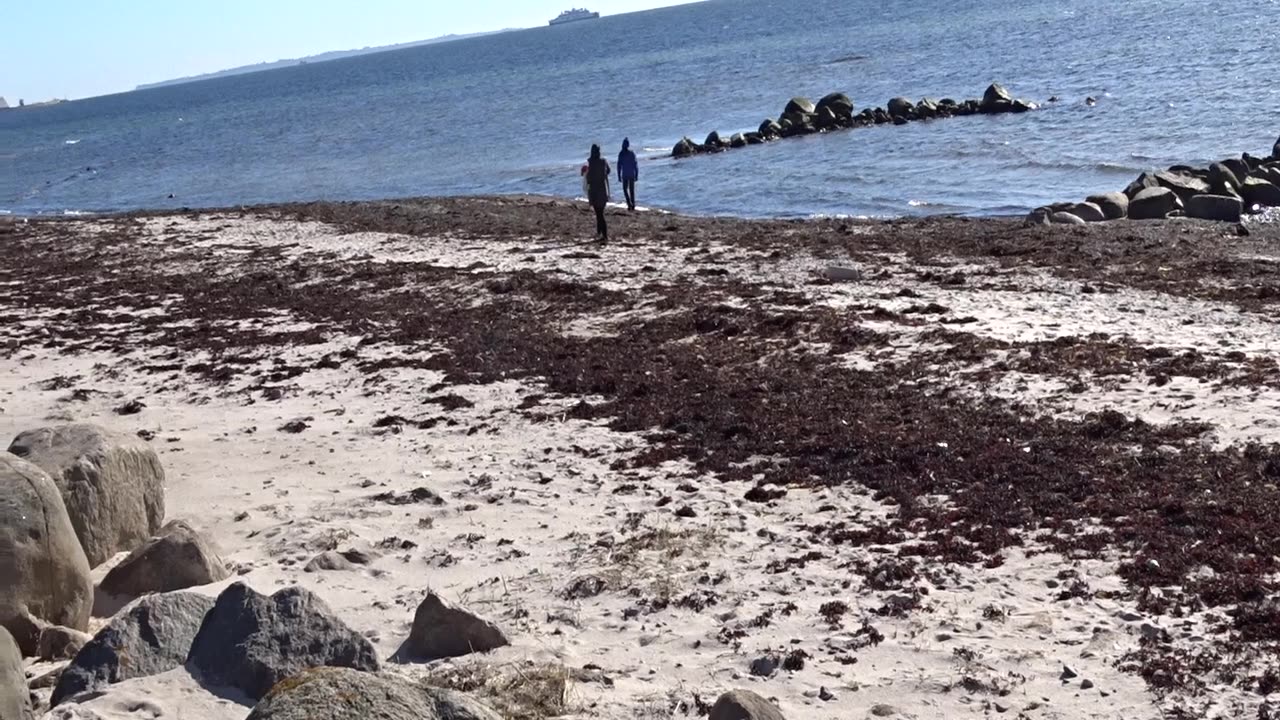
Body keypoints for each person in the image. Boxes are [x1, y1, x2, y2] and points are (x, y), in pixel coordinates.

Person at [585, 144, 611, 241]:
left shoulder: (590, 163)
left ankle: (603, 235)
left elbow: (588, 178)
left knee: (599, 214)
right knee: (600, 213)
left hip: (594, 191)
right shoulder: (603, 162)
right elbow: (608, 171)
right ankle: (600, 233)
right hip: (602, 190)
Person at [617, 138, 638, 211]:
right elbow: (635, 164)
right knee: (631, 190)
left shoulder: (621, 154)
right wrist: (636, 174)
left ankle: (629, 203)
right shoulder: (631, 153)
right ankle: (632, 204)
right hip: (631, 173)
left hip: (625, 174)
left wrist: (619, 175)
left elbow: (619, 166)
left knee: (625, 190)